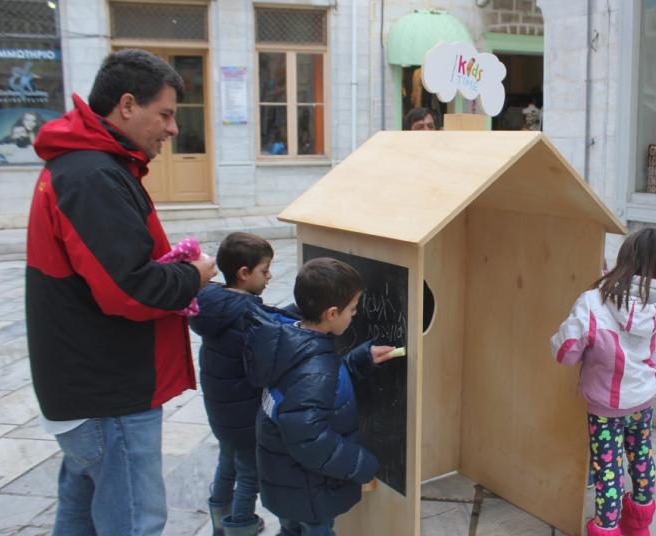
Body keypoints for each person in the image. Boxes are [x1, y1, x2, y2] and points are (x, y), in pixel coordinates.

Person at [26, 49, 218, 535]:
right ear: (128, 105)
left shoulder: (88, 165)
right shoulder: (92, 175)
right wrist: (194, 275)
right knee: (135, 521)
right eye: (166, 114)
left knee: (81, 518)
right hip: (107, 397)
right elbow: (129, 289)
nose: (173, 129)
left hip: (87, 389)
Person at [242, 258, 404, 536]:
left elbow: (320, 389)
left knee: (291, 530)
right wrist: (360, 464)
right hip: (308, 490)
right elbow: (310, 439)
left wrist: (361, 360)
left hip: (287, 481)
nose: (354, 315)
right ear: (332, 313)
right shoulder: (313, 367)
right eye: (352, 309)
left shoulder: (294, 342)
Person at [550, 228, 656, 536]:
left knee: (608, 471)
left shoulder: (594, 301)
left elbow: (565, 352)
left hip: (606, 407)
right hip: (642, 400)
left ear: (625, 257)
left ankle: (607, 528)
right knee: (642, 458)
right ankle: (639, 527)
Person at [189, 232, 297, 535]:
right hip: (245, 414)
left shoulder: (214, 304)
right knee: (250, 472)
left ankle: (219, 515)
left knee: (227, 462)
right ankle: (241, 525)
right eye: (265, 270)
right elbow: (265, 359)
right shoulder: (245, 315)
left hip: (222, 412)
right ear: (244, 273)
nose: (269, 276)